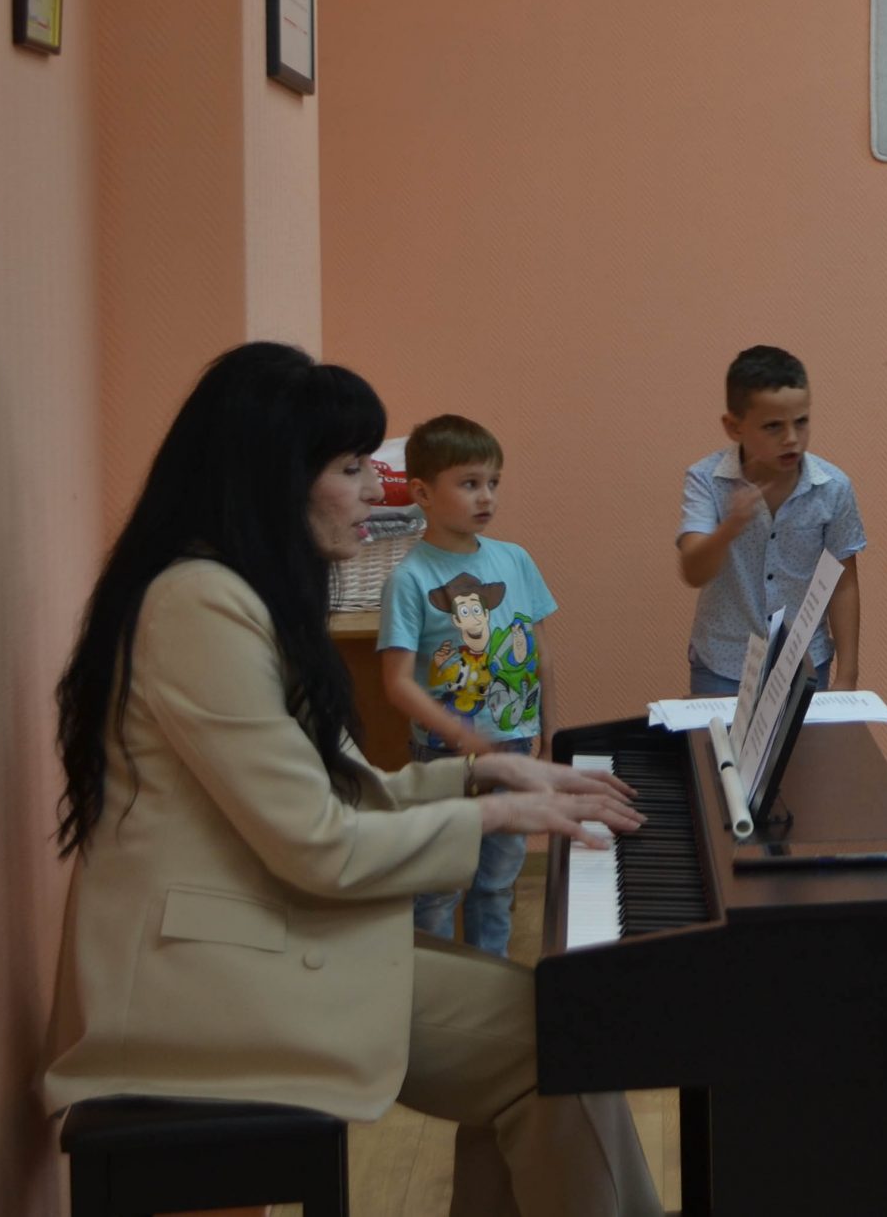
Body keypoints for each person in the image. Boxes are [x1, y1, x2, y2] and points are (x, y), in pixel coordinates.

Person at [43, 342, 658, 1217]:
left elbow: (341, 791)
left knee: (549, 1027)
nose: (379, 490)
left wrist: (487, 775)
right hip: (201, 980)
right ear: (273, 476)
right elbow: (319, 845)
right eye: (350, 467)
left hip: (257, 929)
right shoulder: (197, 606)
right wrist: (498, 816)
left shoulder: (236, 593)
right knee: (559, 1043)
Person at [378, 413, 556, 956]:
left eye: (493, 483)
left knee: (497, 885)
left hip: (516, 746)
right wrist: (462, 736)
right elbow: (397, 683)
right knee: (438, 889)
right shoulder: (410, 579)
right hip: (444, 759)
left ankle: (489, 980)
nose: (486, 497)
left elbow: (540, 654)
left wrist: (550, 730)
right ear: (422, 493)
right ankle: (435, 985)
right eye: (469, 483)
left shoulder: (515, 560)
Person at [678, 345, 866, 696]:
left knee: (805, 739)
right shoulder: (706, 480)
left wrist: (847, 676)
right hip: (723, 663)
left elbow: (843, 584)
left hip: (804, 663)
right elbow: (693, 572)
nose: (791, 438)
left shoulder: (832, 487)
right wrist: (729, 528)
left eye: (801, 421)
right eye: (773, 426)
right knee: (718, 738)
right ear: (734, 427)